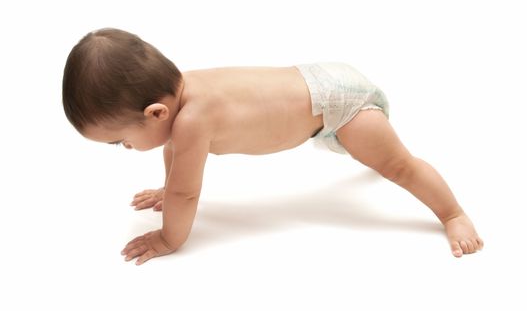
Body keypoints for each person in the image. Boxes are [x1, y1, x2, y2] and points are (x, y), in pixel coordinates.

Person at [62, 28, 483, 265]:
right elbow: (176, 163)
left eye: (120, 141)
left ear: (156, 113)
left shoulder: (191, 121)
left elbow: (186, 191)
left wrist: (168, 239)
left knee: (400, 167)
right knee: (380, 158)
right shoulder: (184, 92)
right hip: (321, 76)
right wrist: (166, 188)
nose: (127, 148)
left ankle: (453, 213)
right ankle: (386, 165)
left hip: (341, 105)